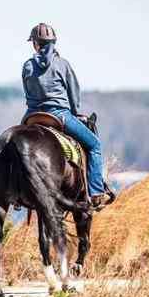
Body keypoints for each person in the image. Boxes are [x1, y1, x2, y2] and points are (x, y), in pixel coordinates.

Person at [21, 23, 110, 207]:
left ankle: (18, 191)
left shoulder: (27, 66)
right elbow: (74, 95)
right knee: (94, 145)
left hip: (32, 117)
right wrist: (76, 112)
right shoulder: (62, 64)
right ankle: (96, 193)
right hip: (59, 116)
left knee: (17, 148)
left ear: (35, 44)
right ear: (53, 42)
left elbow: (27, 92)